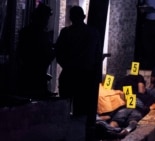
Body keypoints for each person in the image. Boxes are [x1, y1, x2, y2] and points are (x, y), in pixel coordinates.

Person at [55, 6, 103, 141]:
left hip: (69, 74)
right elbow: (97, 57)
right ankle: (78, 136)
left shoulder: (66, 33)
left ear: (71, 18)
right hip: (85, 77)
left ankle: (63, 135)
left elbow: (58, 53)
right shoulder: (94, 33)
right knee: (81, 111)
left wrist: (67, 65)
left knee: (64, 108)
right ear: (83, 17)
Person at [96, 74, 155, 139]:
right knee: (133, 121)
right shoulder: (145, 96)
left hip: (123, 108)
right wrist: (148, 109)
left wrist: (108, 116)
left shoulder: (124, 93)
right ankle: (128, 129)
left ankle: (111, 131)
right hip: (137, 109)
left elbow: (118, 108)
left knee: (115, 121)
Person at [16, 2, 54, 99]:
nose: (47, 21)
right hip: (33, 75)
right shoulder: (38, 34)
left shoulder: (27, 32)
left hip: (32, 74)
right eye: (46, 18)